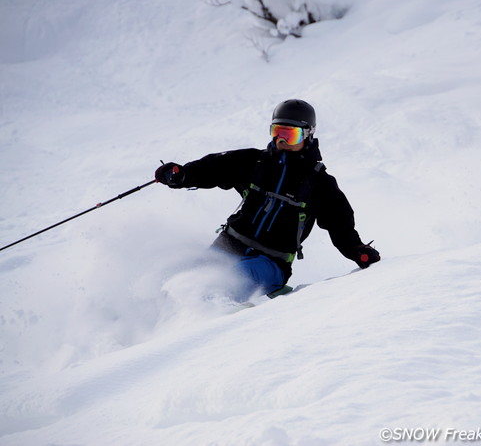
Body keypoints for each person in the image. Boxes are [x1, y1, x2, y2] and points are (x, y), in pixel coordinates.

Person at [155, 99, 380, 300]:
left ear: (308, 134)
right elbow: (214, 168)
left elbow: (339, 223)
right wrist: (180, 175)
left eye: (290, 134)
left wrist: (357, 250)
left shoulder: (319, 183)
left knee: (229, 279)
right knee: (183, 276)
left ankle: (213, 317)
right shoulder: (255, 162)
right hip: (230, 243)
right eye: (277, 132)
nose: (282, 140)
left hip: (272, 262)